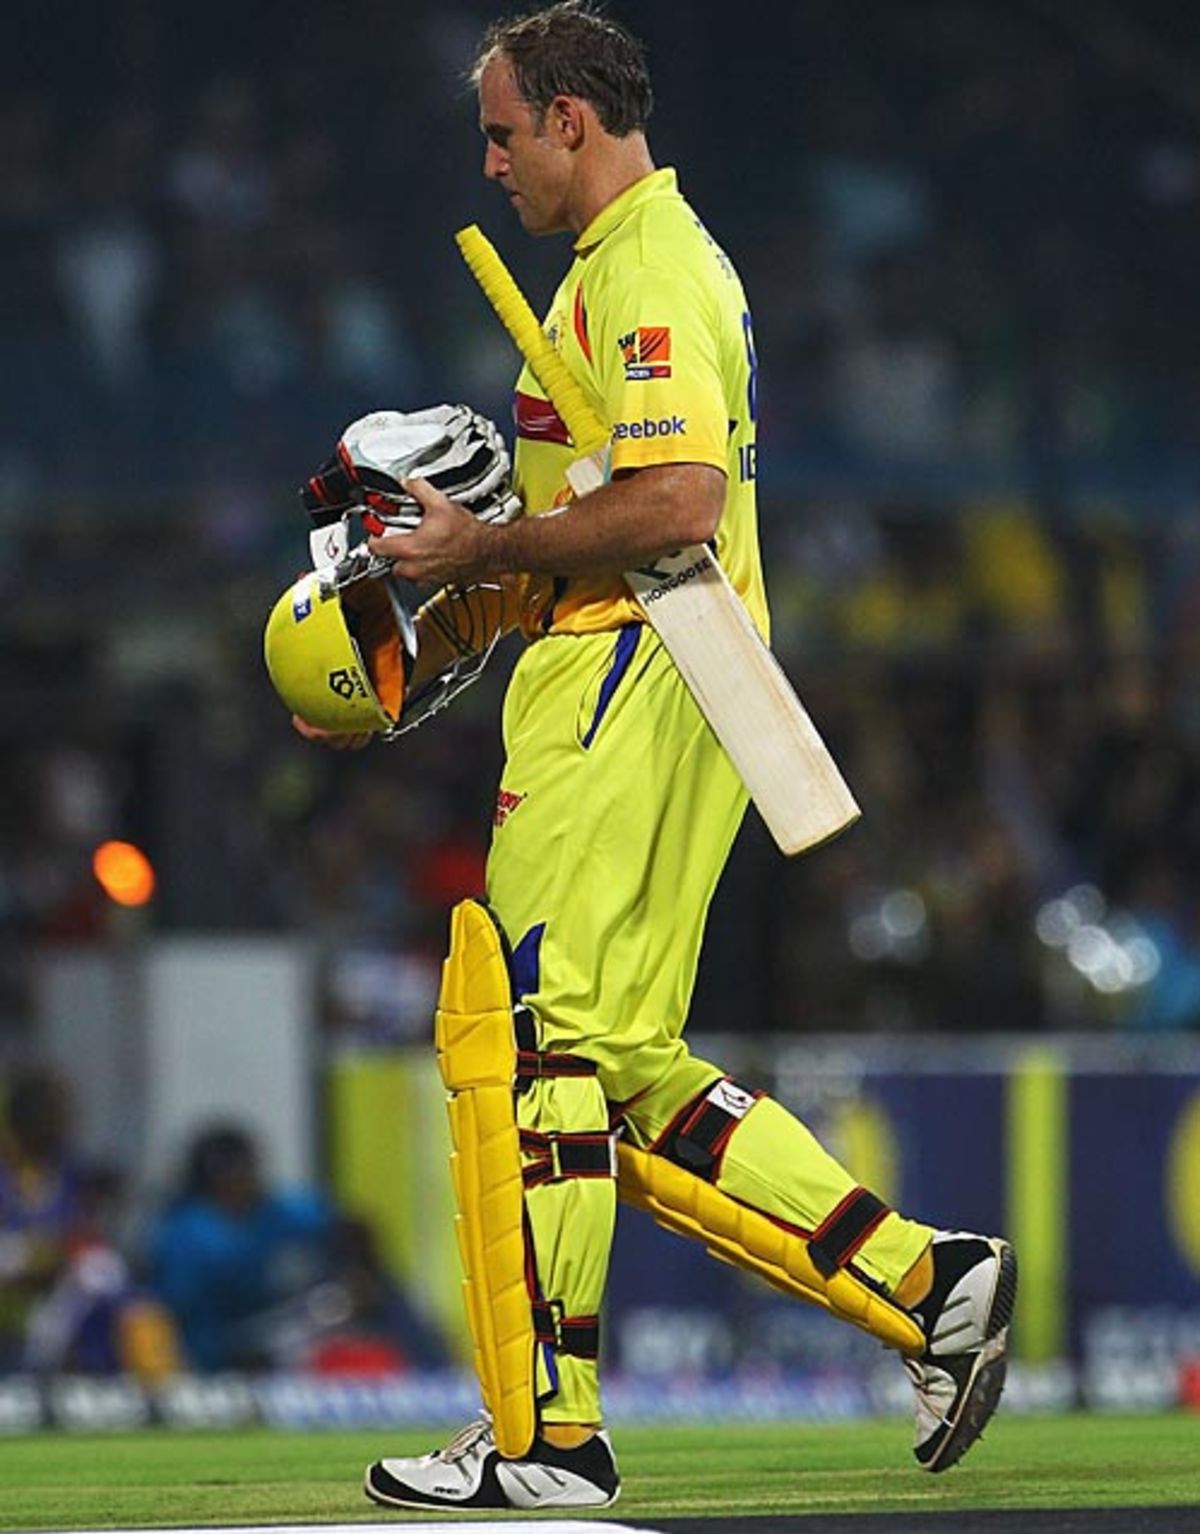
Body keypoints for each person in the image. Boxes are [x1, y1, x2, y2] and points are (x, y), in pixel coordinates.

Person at [291, 2, 1017, 1512]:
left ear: (570, 119)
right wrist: (423, 656)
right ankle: (928, 1283)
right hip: (651, 667)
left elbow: (676, 505)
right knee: (611, 1080)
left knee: (534, 1041)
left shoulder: (650, 276)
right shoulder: (625, 274)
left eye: (502, 130)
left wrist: (479, 542)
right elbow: (577, 523)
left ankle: (551, 1439)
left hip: (632, 668)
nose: (488, 160)